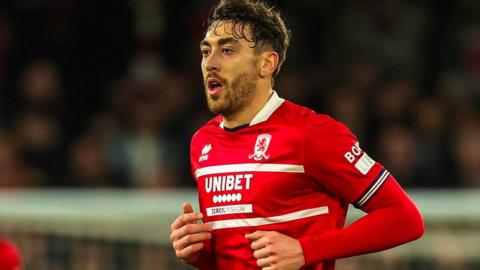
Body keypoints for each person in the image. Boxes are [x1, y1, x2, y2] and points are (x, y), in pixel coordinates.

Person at [170, 0, 424, 269]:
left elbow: (405, 219)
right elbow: (239, 258)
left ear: (267, 64)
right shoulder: (202, 143)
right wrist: (199, 253)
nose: (210, 63)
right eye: (206, 51)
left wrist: (306, 250)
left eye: (228, 50)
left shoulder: (312, 134)